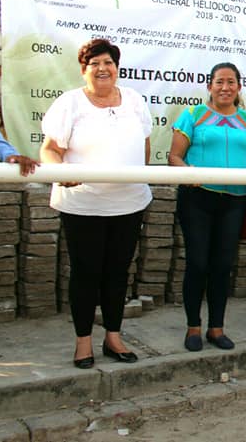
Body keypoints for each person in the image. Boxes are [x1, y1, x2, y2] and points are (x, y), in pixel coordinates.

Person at [39, 39, 152, 369]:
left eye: (109, 62)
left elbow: (144, 144)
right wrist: (60, 172)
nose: (103, 68)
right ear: (83, 70)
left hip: (129, 204)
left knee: (118, 273)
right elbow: (50, 149)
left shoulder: (133, 100)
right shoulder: (69, 103)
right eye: (94, 63)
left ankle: (113, 338)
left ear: (117, 67)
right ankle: (83, 343)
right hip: (83, 205)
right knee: (86, 274)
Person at [169, 62, 246, 352]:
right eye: (219, 82)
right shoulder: (193, 115)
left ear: (239, 87)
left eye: (231, 82)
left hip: (234, 201)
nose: (225, 88)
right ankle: (193, 327)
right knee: (198, 263)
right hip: (197, 199)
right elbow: (174, 157)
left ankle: (217, 328)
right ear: (209, 85)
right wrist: (190, 174)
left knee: (223, 266)